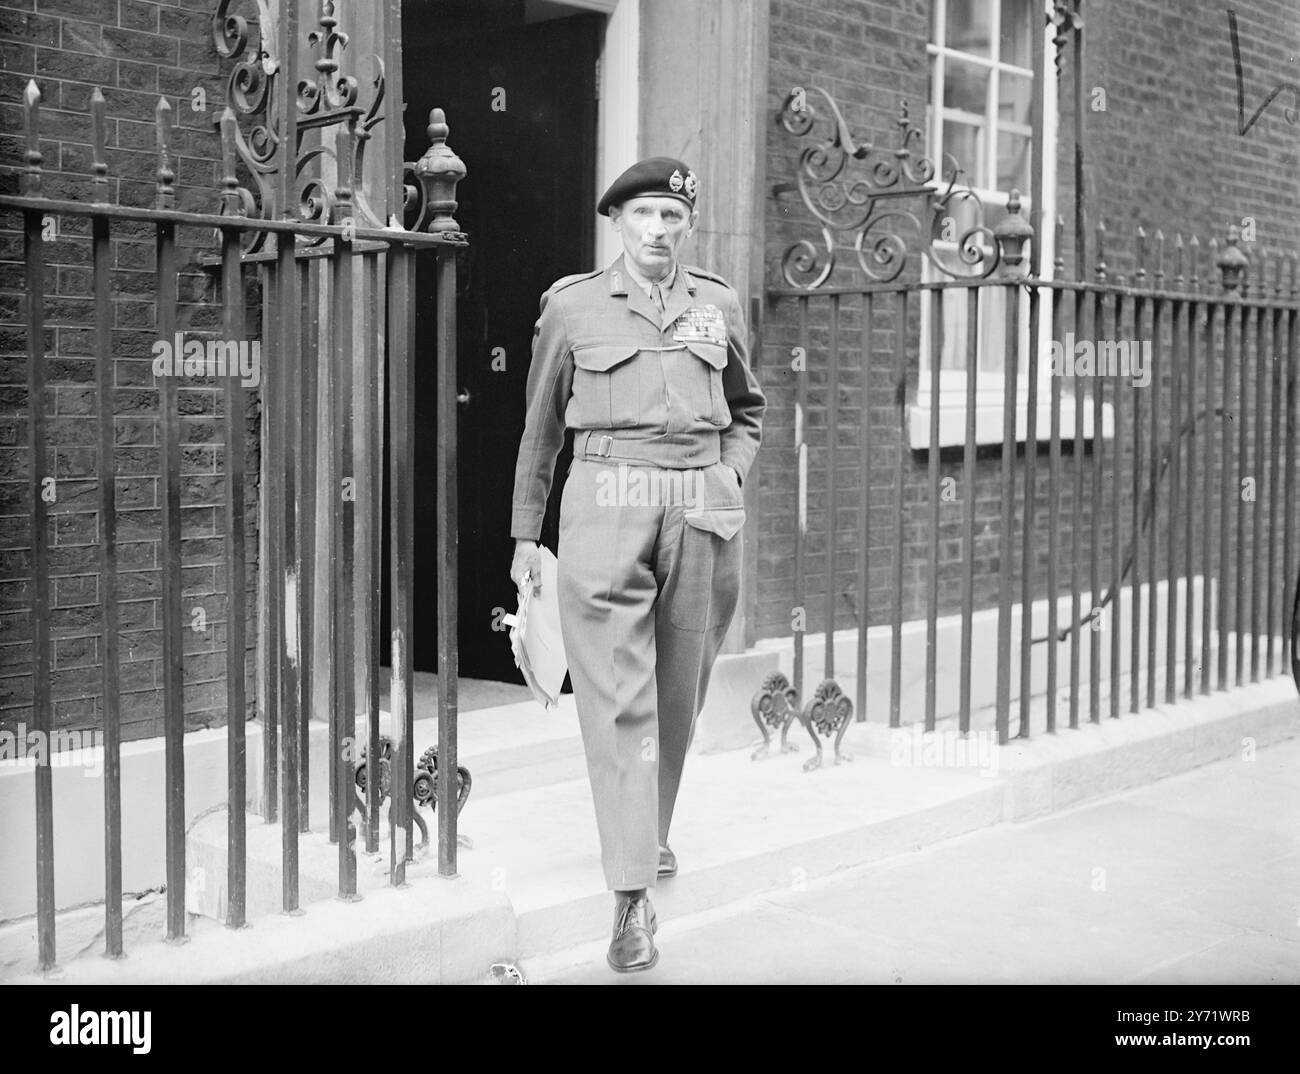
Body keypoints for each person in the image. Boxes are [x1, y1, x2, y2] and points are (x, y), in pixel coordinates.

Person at [508, 157, 765, 972]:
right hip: (606, 508)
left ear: (687, 224)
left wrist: (727, 474)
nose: (658, 231)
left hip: (702, 509)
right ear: (616, 223)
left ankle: (645, 835)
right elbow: (541, 430)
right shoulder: (574, 306)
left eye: (671, 217)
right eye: (643, 215)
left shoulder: (716, 303)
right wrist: (524, 535)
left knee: (678, 694)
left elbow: (748, 407)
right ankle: (630, 901)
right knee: (617, 699)